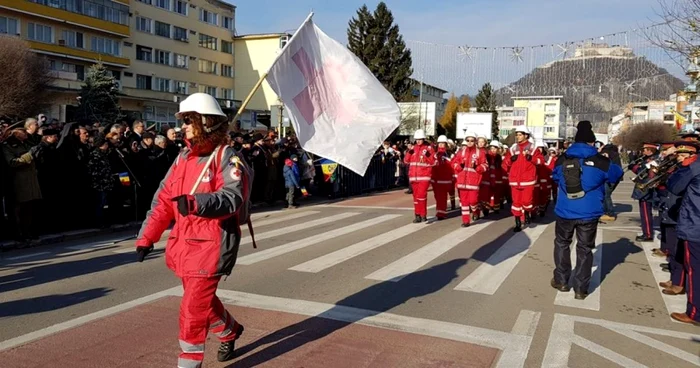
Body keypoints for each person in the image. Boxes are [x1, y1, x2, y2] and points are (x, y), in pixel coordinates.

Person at [135, 93, 250, 367]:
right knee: (202, 302)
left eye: (189, 120)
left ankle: (188, 363)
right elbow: (164, 199)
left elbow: (233, 197)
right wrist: (147, 236)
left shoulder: (226, 157)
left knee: (192, 309)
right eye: (184, 120)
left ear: (207, 122)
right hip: (184, 245)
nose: (182, 126)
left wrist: (197, 202)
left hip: (211, 245)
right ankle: (230, 331)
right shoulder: (182, 158)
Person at [550, 121, 623, 300]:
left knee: (562, 244)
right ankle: (581, 289)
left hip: (565, 211)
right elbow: (617, 174)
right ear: (592, 142)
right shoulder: (601, 161)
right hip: (589, 213)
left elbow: (555, 176)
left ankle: (561, 280)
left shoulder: (563, 158)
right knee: (584, 249)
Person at [666, 141, 700, 325]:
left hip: (695, 223)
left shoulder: (693, 168)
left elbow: (674, 186)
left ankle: (695, 312)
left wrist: (681, 167)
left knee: (695, 269)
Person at [502, 126, 543, 232]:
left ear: (526, 135)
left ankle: (527, 212)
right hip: (515, 180)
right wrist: (510, 160)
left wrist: (531, 158)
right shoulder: (513, 148)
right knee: (516, 203)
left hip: (528, 180)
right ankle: (518, 223)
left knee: (527, 202)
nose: (518, 137)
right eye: (517, 134)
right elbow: (505, 164)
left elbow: (540, 162)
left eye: (520, 134)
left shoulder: (533, 148)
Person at [452, 132, 488, 227]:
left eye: (472, 140)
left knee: (473, 201)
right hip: (462, 182)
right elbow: (454, 164)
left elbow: (485, 166)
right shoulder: (461, 152)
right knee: (464, 202)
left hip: (474, 183)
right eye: (468, 140)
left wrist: (478, 167)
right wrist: (459, 166)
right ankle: (466, 221)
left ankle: (476, 211)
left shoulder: (480, 153)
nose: (469, 142)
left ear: (475, 141)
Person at [629, 142, 660, 242]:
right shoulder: (647, 159)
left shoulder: (653, 160)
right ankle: (647, 232)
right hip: (644, 189)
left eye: (645, 149)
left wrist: (634, 167)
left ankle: (648, 234)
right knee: (644, 212)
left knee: (646, 213)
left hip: (647, 190)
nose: (643, 151)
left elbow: (644, 173)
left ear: (651, 150)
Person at [404, 129, 435, 223]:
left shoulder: (429, 148)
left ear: (423, 139)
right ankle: (417, 214)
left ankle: (423, 214)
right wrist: (409, 152)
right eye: (417, 139)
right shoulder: (413, 149)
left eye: (420, 139)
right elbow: (405, 161)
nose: (418, 141)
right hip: (414, 176)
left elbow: (433, 161)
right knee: (416, 197)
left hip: (424, 176)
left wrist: (428, 155)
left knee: (421, 195)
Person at [431, 135, 453, 220]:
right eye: (439, 143)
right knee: (437, 196)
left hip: (444, 179)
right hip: (435, 178)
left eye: (443, 143)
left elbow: (451, 166)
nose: (441, 145)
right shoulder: (435, 154)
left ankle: (441, 213)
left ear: (446, 144)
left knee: (442, 196)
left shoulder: (449, 154)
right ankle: (439, 211)